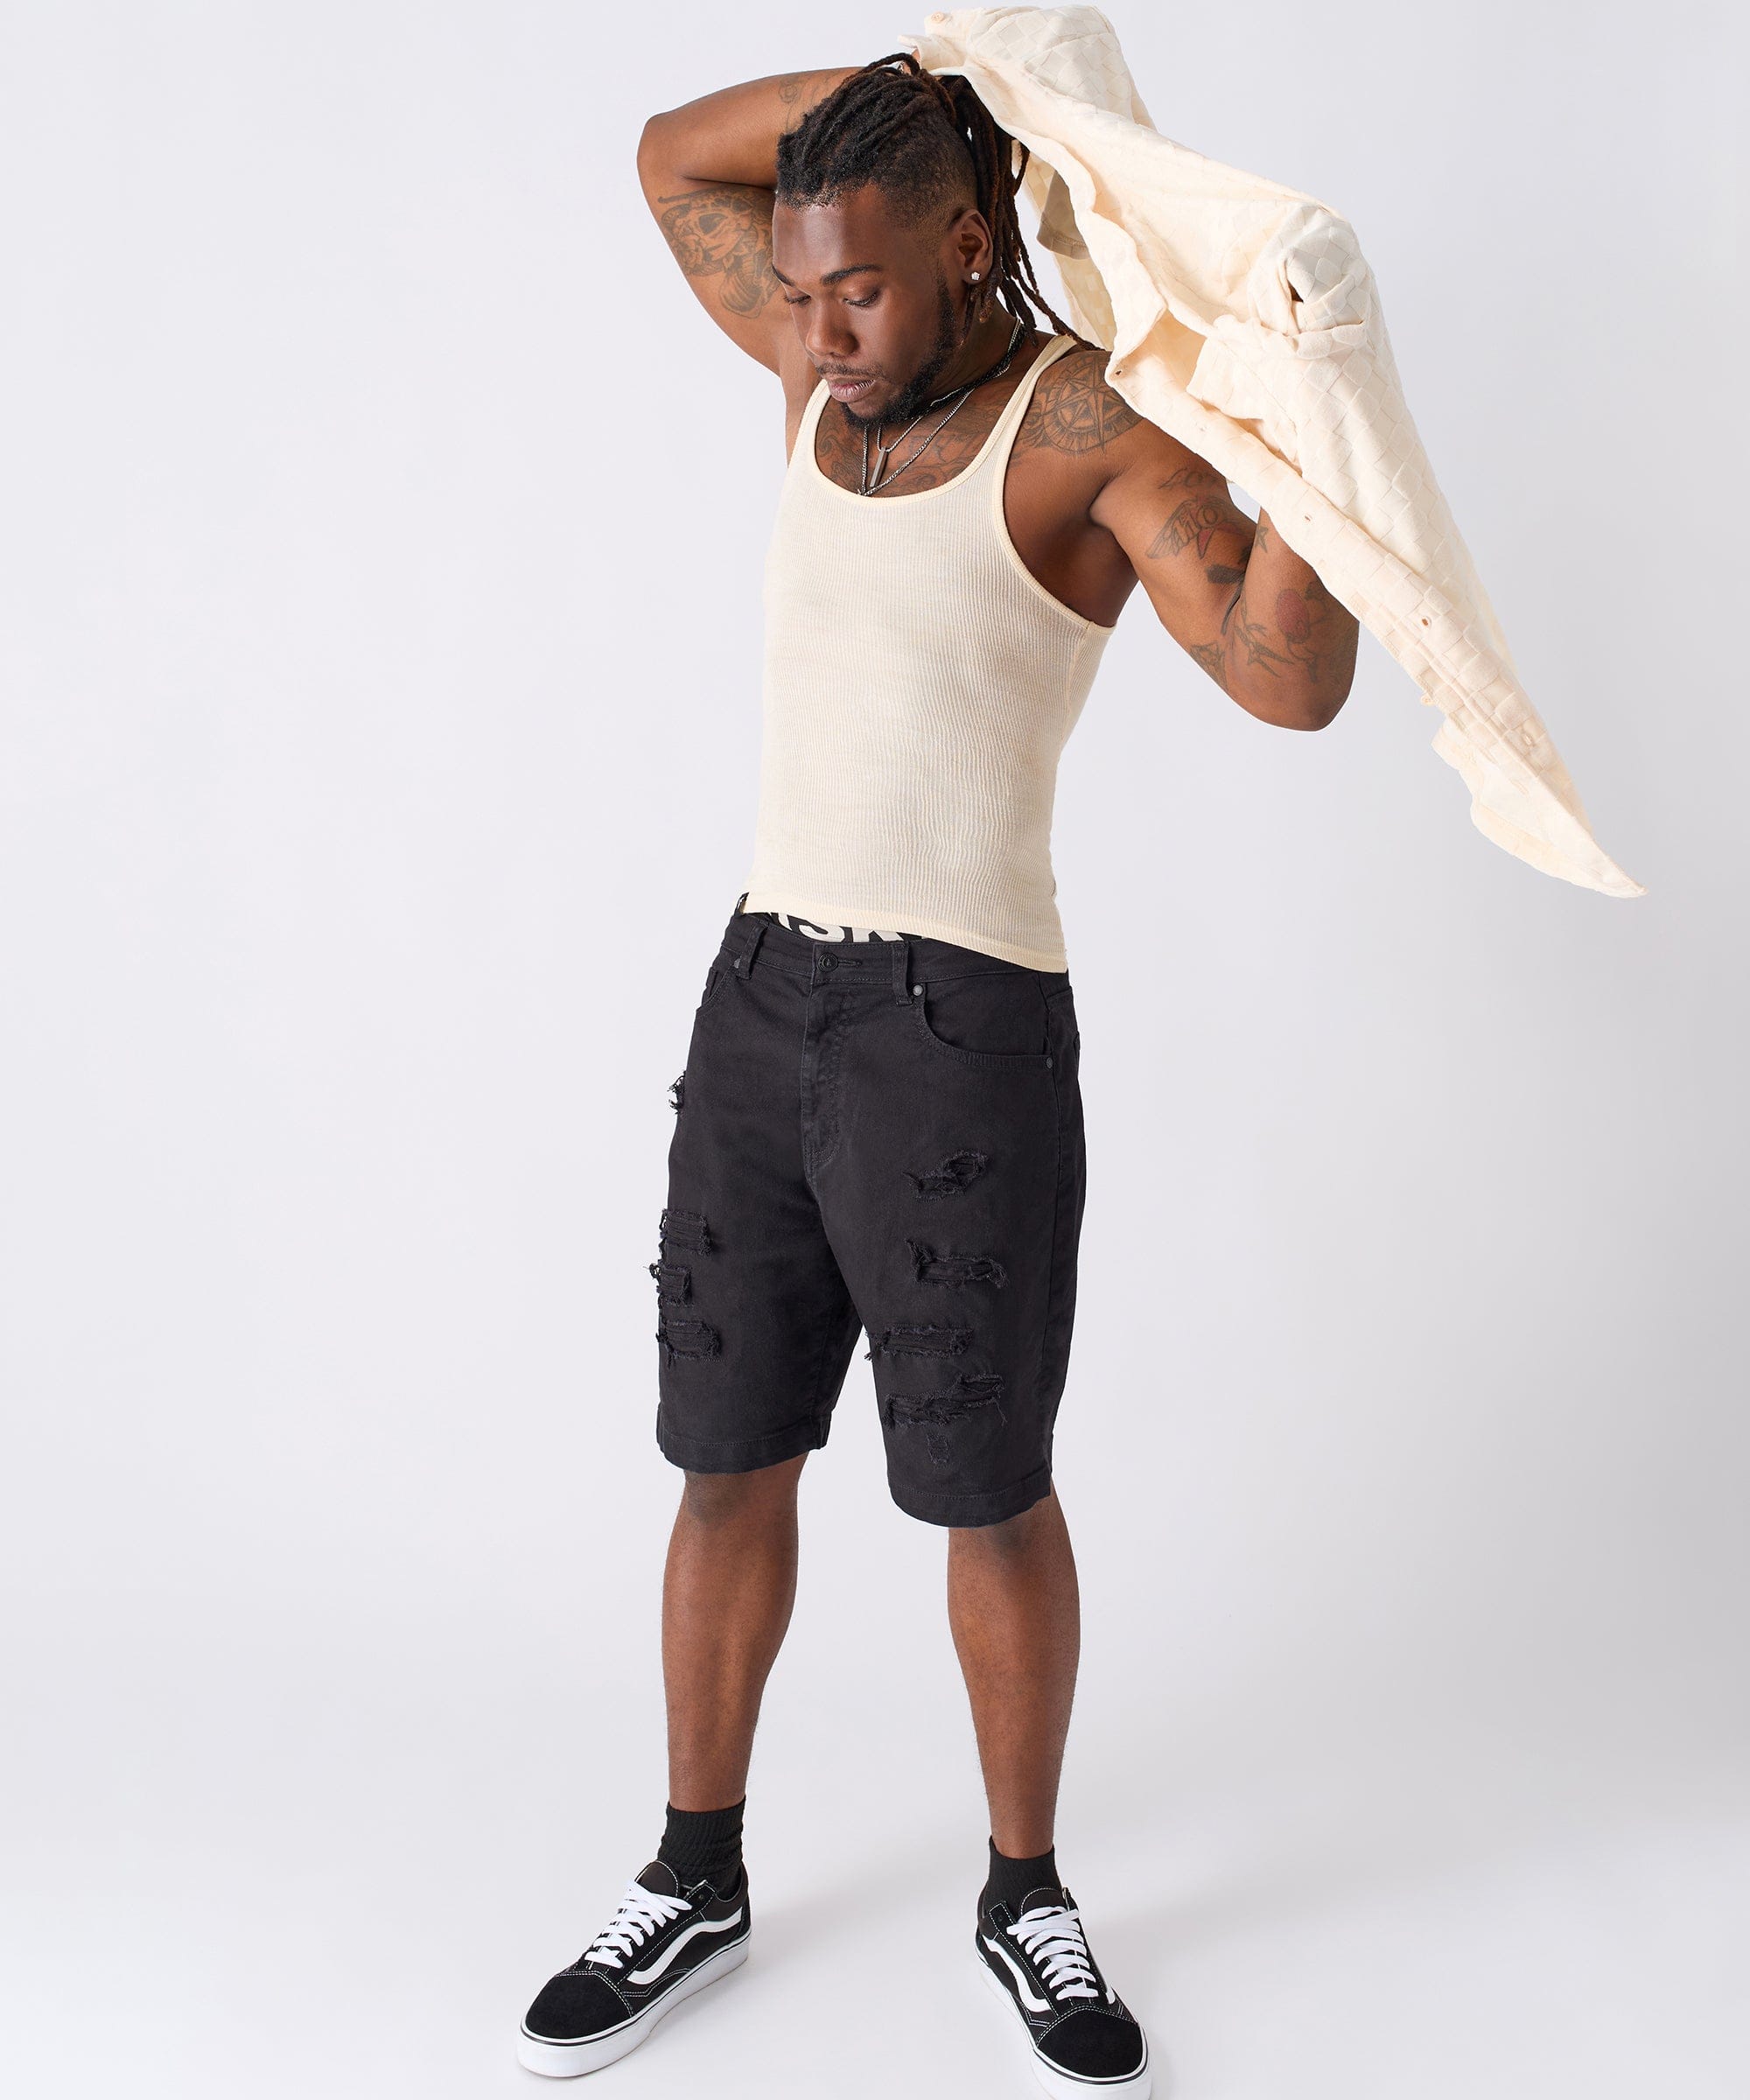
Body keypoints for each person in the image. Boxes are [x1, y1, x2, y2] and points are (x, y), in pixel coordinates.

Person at [516, 50, 1358, 2096]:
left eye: (861, 288)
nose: (816, 326)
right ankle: (693, 1875)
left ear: (971, 244)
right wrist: (957, 68)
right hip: (757, 999)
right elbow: (668, 154)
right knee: (727, 1455)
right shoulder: (817, 374)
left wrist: (1323, 429)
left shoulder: (1082, 430)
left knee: (984, 1487)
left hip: (957, 1031)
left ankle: (1024, 1892)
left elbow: (1286, 679)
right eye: (801, 287)